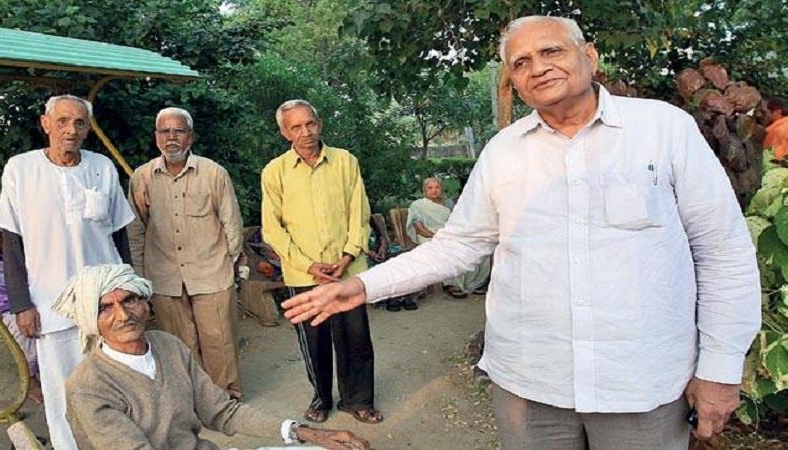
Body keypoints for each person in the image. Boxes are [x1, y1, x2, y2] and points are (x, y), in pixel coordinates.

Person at [281, 16, 761, 450]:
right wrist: (364, 285)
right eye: (521, 62)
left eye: (552, 52)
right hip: (530, 388)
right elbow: (459, 244)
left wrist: (719, 369)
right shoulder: (503, 152)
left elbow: (723, 252)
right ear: (513, 79)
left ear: (588, 56)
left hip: (640, 387)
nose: (539, 68)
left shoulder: (663, 130)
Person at [54, 264, 370, 450]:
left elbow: (222, 411)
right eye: (105, 308)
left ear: (147, 303)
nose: (123, 315)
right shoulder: (88, 385)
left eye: (130, 300)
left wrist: (308, 434)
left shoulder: (166, 345)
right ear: (89, 320)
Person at [0, 94, 135, 449]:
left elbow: (119, 235)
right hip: (50, 303)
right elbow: (11, 242)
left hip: (106, 302)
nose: (70, 130)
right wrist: (21, 303)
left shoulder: (102, 166)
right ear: (45, 124)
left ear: (88, 128)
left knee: (115, 381)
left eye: (79, 123)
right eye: (62, 121)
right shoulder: (20, 169)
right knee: (61, 391)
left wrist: (131, 294)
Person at [261, 99, 382, 424]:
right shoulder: (275, 172)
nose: (305, 132)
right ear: (285, 132)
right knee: (314, 342)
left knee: (355, 337)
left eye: (310, 124)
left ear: (320, 123)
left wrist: (347, 255)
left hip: (348, 270)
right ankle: (321, 398)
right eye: (296, 127)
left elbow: (360, 212)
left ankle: (358, 400)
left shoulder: (345, 161)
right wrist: (309, 266)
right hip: (303, 275)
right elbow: (273, 228)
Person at [128, 107, 245, 399]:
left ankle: (224, 397)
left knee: (219, 339)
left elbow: (232, 222)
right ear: (156, 137)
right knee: (178, 342)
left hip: (212, 272)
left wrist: (230, 265)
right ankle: (192, 397)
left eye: (178, 131)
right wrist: (142, 277)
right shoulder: (142, 177)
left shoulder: (214, 173)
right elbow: (137, 230)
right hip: (164, 275)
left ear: (190, 136)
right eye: (164, 131)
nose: (171, 138)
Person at [406, 177, 490, 299]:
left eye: (437, 187)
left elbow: (458, 221)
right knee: (449, 250)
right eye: (430, 188)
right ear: (425, 190)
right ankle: (452, 284)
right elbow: (419, 229)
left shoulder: (448, 203)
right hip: (429, 236)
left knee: (478, 247)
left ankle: (476, 283)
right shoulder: (418, 205)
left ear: (441, 189)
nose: (434, 190)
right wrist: (438, 237)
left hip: (450, 234)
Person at [0, 218, 42, 404]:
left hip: (21, 289)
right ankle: (31, 379)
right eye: (1, 241)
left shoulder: (2, 227)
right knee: (21, 325)